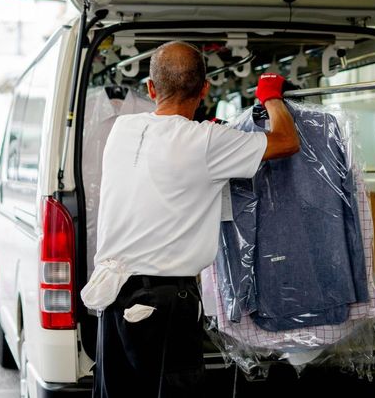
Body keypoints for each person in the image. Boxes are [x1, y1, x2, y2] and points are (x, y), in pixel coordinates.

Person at [82, 40, 300, 398]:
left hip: (115, 299)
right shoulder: (208, 141)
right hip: (165, 304)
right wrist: (271, 97)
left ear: (151, 89)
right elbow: (287, 140)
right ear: (205, 89)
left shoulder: (123, 129)